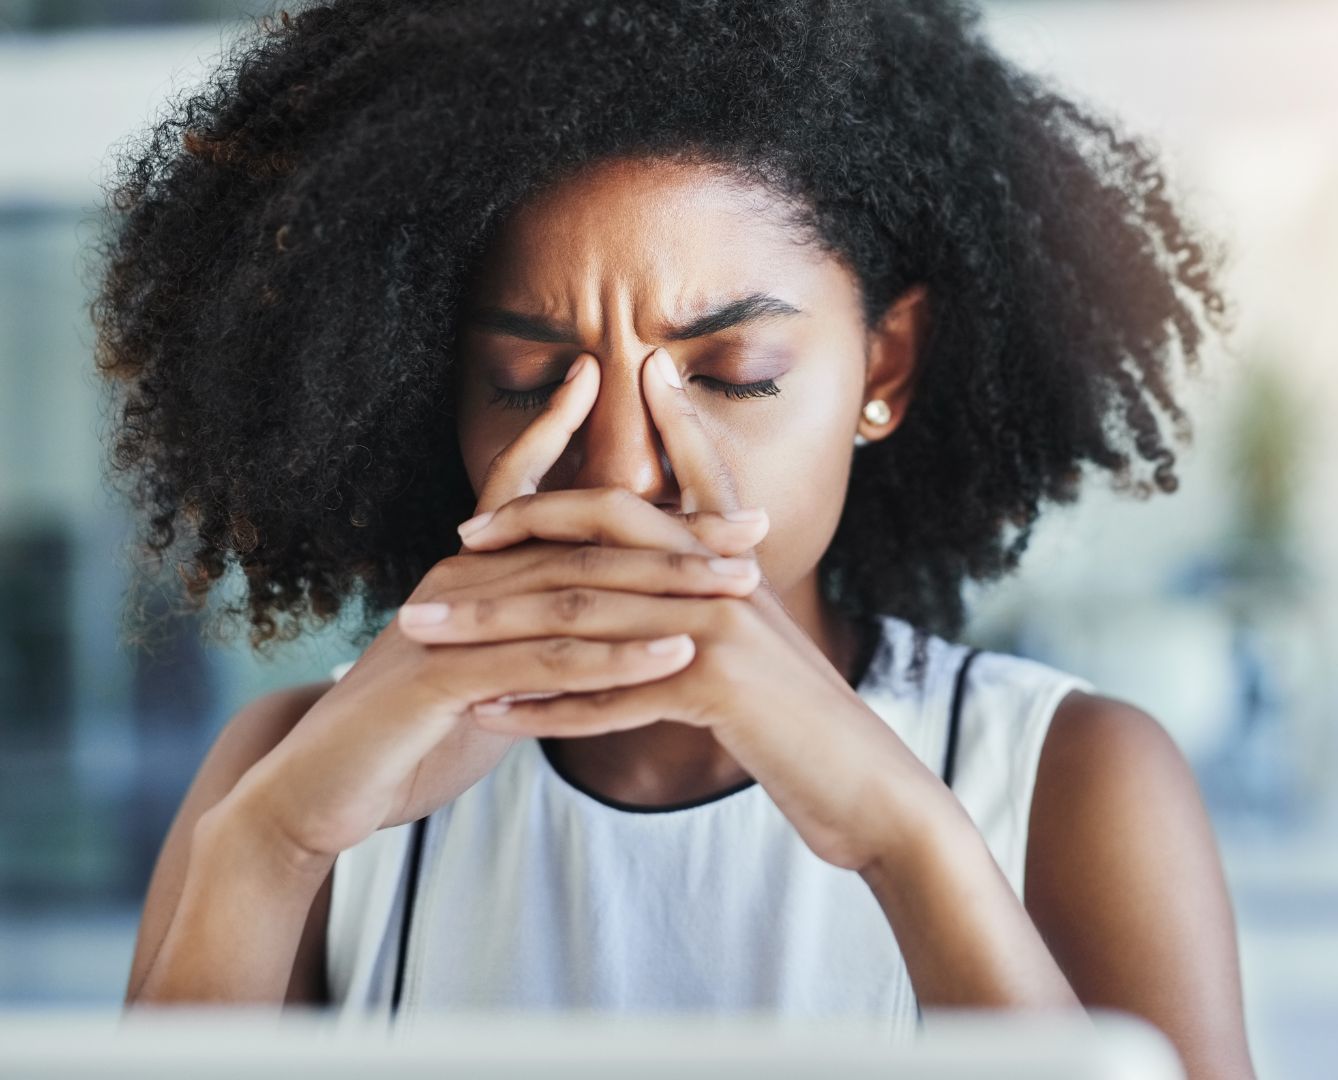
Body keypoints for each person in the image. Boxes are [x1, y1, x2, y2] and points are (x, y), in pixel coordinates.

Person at [94, 1, 1254, 1077]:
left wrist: (908, 839)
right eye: (533, 380)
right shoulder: (284, 775)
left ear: (883, 366)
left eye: (731, 376)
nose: (624, 468)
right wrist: (269, 853)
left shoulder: (1072, 781)